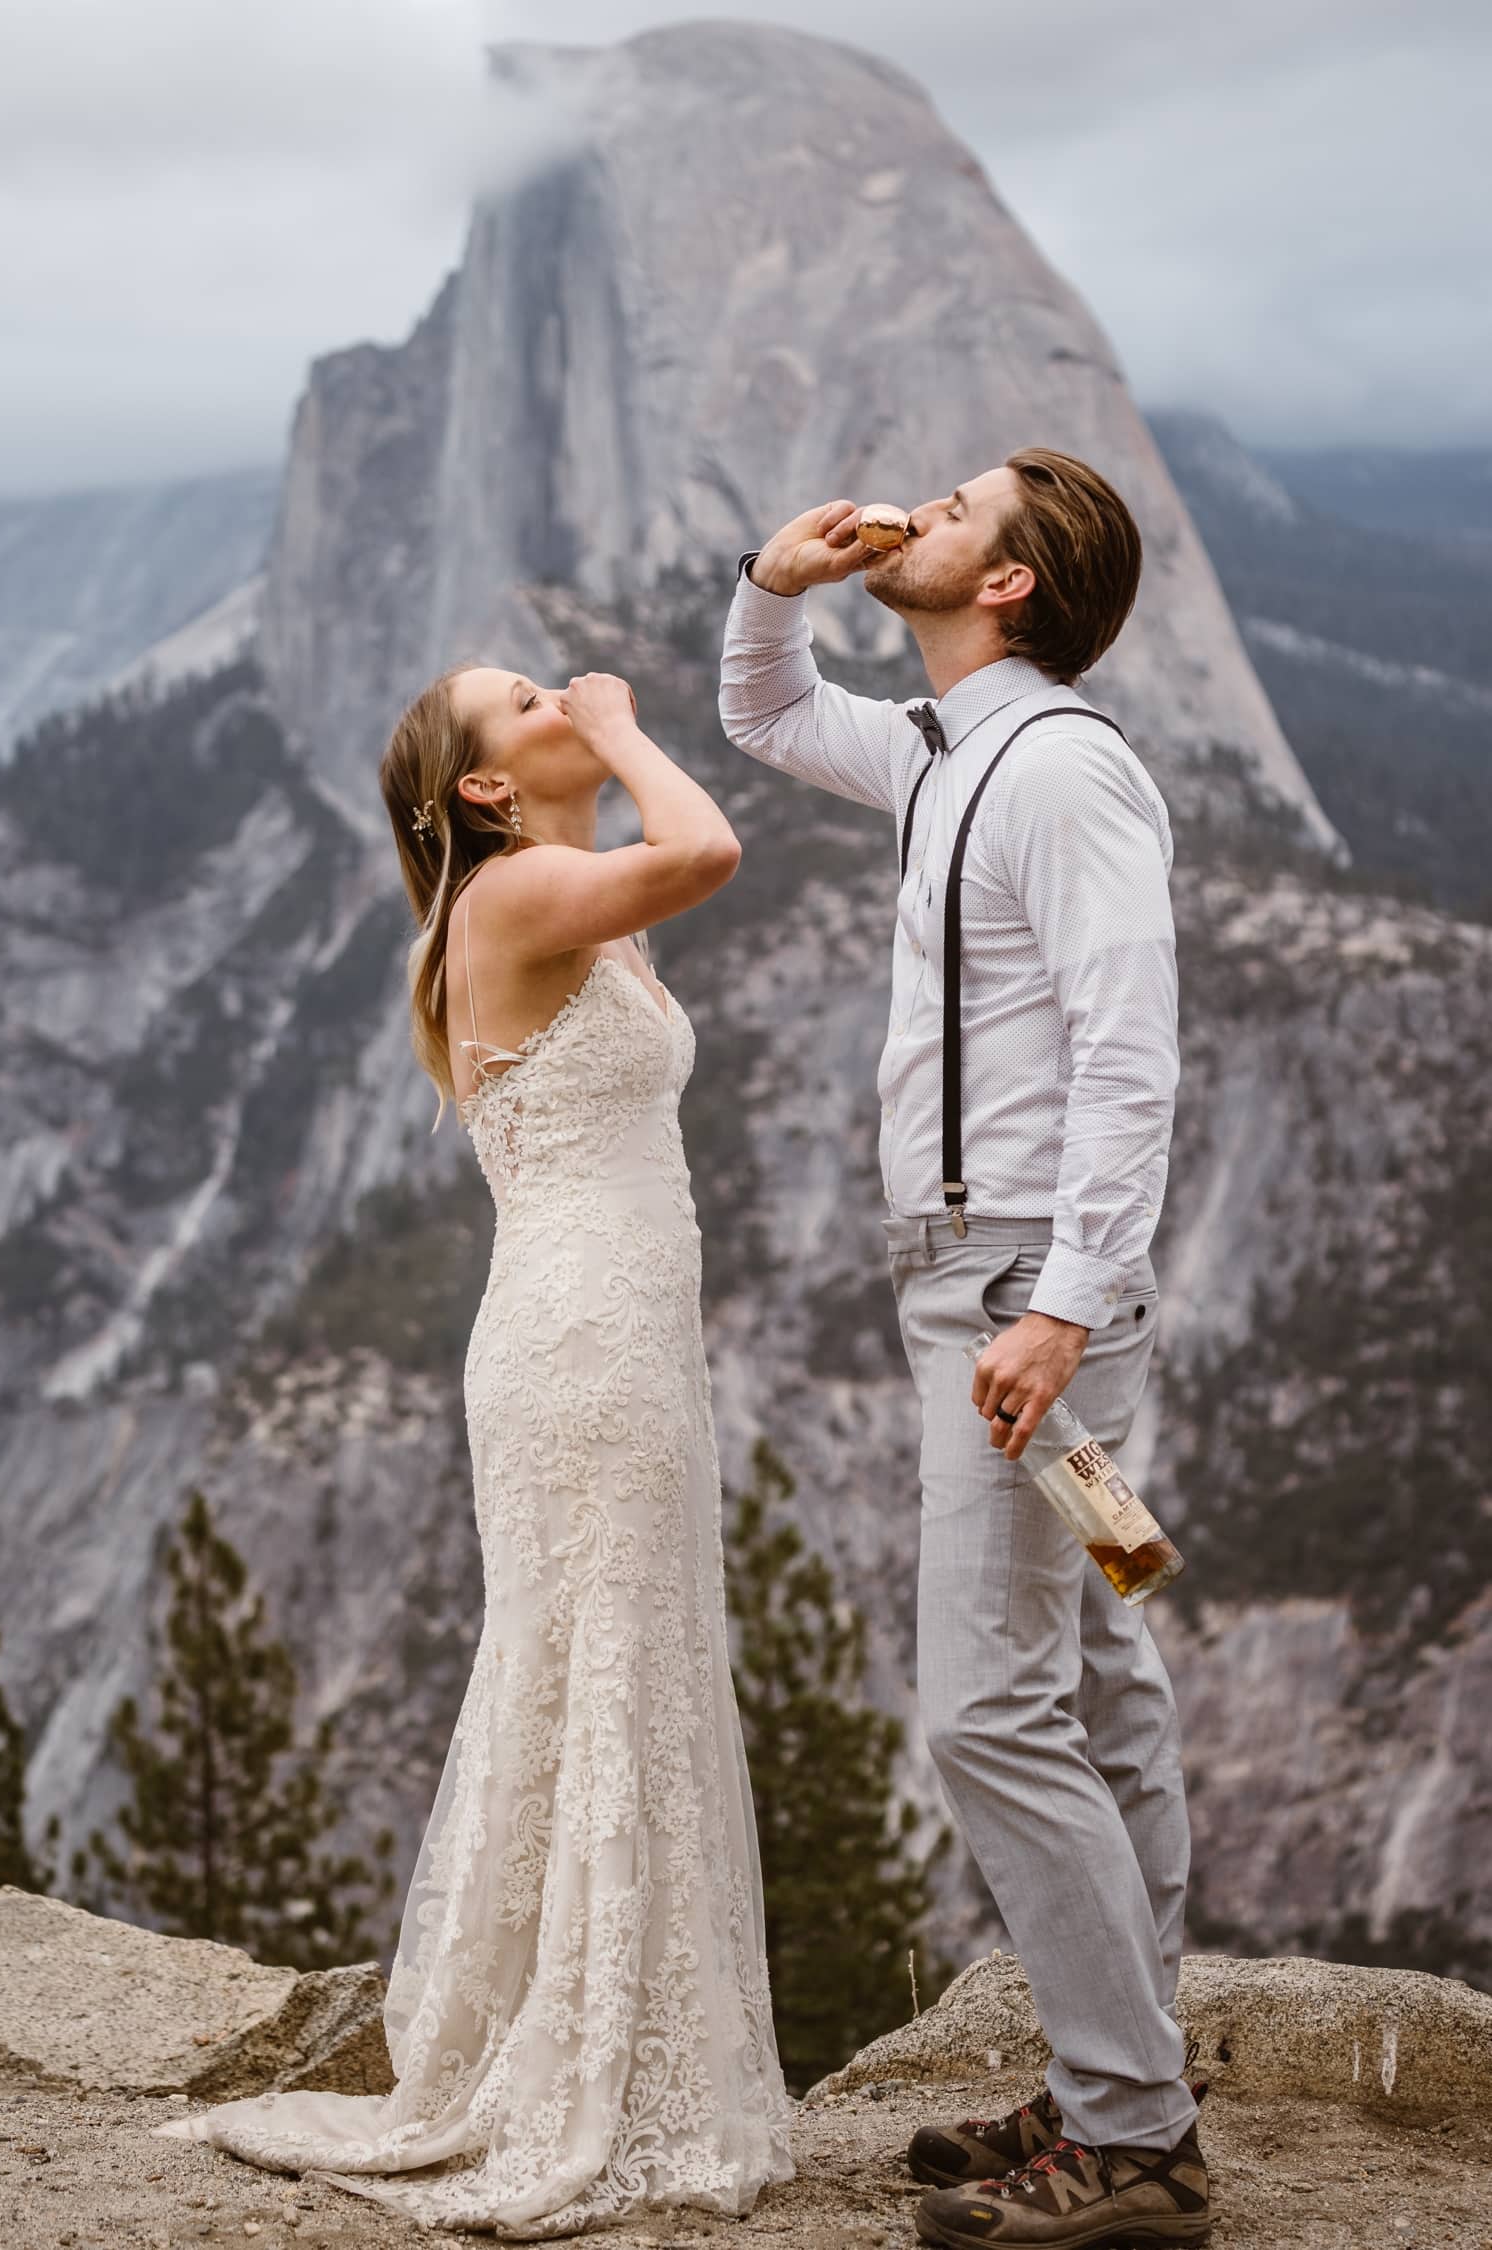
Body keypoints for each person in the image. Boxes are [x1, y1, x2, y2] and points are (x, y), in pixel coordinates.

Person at [154, 666, 795, 2237]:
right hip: (584, 1345)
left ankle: (604, 2041)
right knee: (601, 1659)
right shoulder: (519, 896)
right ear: (487, 790)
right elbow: (712, 849)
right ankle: (581, 2064)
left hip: (613, 1335)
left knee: (609, 1658)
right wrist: (636, 728)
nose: (561, 689)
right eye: (526, 698)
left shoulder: (558, 897)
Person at [718, 451, 1209, 2249]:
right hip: (984, 1271)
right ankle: (1120, 2070)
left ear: (1010, 583)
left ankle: (1139, 2136)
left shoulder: (1064, 766)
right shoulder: (941, 750)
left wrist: (1066, 1299)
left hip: (1021, 1282)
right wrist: (775, 580)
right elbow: (765, 715)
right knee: (1093, 1675)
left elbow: (1126, 1046)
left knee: (991, 1706)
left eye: (957, 504)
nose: (914, 508)